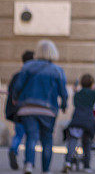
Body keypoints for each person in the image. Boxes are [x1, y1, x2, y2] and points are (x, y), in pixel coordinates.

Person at [11, 40, 68, 174]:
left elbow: (18, 86)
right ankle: (46, 170)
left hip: (28, 108)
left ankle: (29, 165)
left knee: (31, 137)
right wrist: (64, 105)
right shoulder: (57, 71)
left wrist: (15, 99)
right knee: (47, 140)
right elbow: (63, 92)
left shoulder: (27, 67)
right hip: (48, 110)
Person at [62, 74, 95, 172]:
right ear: (92, 84)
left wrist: (76, 84)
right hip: (88, 122)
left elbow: (74, 89)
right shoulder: (92, 93)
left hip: (76, 120)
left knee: (73, 141)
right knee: (87, 143)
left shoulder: (77, 94)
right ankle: (87, 166)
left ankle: (67, 161)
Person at [5, 50, 34, 171]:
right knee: (31, 136)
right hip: (29, 109)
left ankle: (13, 149)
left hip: (17, 110)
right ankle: (29, 162)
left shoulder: (17, 75)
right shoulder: (32, 76)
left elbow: (11, 91)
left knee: (18, 134)